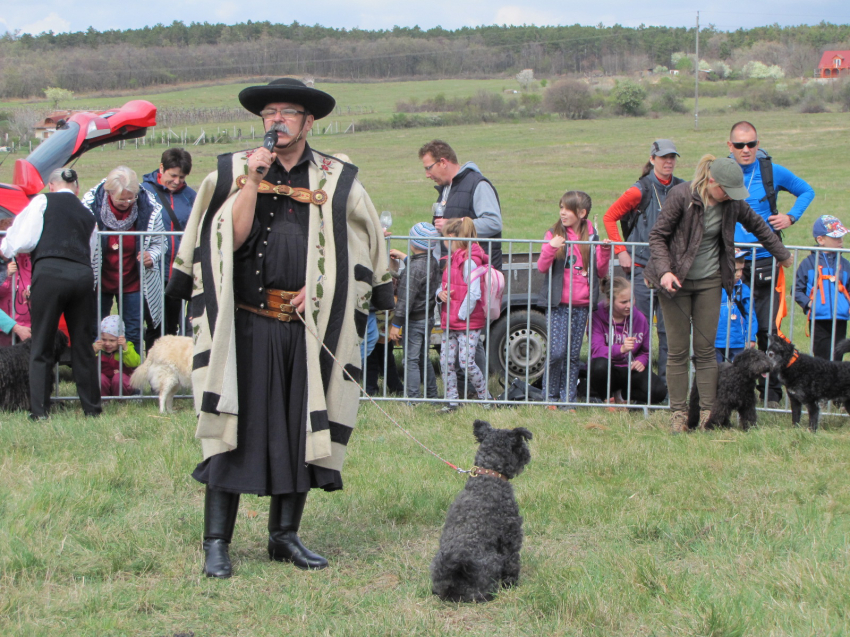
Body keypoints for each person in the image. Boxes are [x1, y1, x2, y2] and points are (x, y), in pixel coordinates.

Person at [165, 78, 393, 579]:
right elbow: (227, 237)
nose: (278, 121)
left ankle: (283, 537)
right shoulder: (232, 171)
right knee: (232, 425)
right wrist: (252, 179)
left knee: (298, 428)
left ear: (309, 122)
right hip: (243, 327)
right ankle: (216, 544)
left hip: (303, 330)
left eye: (289, 113)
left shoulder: (339, 180)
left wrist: (320, 291)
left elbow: (363, 246)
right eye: (270, 113)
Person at [643, 156, 792, 434]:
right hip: (674, 281)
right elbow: (657, 236)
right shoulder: (682, 196)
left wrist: (782, 256)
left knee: (705, 350)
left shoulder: (732, 202)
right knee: (677, 351)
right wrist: (664, 272)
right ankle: (678, 413)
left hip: (710, 280)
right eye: (726, 190)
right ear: (712, 181)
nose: (730, 197)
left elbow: (759, 226)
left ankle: (708, 413)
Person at [0, 168, 101, 419]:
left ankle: (40, 412)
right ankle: (92, 409)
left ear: (52, 186)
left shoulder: (43, 201)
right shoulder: (88, 214)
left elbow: (23, 239)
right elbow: (93, 253)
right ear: (76, 188)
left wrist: (6, 247)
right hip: (82, 275)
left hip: (49, 274)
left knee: (41, 344)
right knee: (82, 346)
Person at [728, 121, 815, 404]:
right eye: (740, 145)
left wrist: (791, 217)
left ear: (757, 143)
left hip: (766, 261)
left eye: (751, 144)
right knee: (732, 327)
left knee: (767, 329)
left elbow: (806, 191)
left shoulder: (770, 171)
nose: (746, 150)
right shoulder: (722, 172)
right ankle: (732, 388)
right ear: (729, 146)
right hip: (731, 262)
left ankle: (772, 393)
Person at [603, 139, 683, 381]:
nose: (668, 162)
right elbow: (609, 217)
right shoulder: (640, 190)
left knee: (669, 329)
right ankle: (640, 383)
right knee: (641, 328)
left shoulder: (682, 188)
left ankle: (668, 384)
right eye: (663, 158)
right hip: (642, 269)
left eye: (672, 157)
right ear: (652, 160)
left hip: (671, 271)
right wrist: (621, 251)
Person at [537, 190, 610, 408]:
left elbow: (600, 270)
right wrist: (551, 249)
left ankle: (568, 398)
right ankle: (549, 396)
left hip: (582, 306)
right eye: (561, 208)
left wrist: (604, 252)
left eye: (567, 209)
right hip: (558, 304)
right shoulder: (553, 234)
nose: (562, 213)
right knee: (556, 352)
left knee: (571, 356)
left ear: (582, 213)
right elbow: (542, 267)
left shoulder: (592, 236)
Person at [82, 166, 165, 355]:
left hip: (132, 282)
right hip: (98, 282)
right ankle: (98, 378)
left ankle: (130, 380)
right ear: (109, 192)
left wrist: (151, 256)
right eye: (121, 198)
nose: (127, 202)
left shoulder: (150, 207)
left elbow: (161, 243)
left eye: (131, 198)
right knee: (96, 332)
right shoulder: (89, 207)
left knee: (133, 332)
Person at [140, 148, 197, 347]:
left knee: (174, 327)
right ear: (161, 167)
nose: (177, 181)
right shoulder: (143, 192)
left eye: (182, 177)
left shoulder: (192, 197)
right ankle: (151, 372)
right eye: (173, 175)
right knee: (154, 325)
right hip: (152, 272)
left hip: (179, 273)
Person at [419, 139, 503, 271]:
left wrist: (453, 226)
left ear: (443, 162)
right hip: (455, 274)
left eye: (429, 168)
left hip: (478, 275)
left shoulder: (478, 184)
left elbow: (493, 223)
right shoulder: (446, 189)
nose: (427, 175)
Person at [437, 217, 493, 412]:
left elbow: (474, 292)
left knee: (466, 362)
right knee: (446, 362)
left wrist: (461, 315)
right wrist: (440, 294)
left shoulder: (470, 261)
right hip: (450, 321)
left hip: (467, 322)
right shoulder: (451, 260)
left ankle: (485, 396)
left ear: (451, 237)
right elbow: (443, 285)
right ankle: (452, 400)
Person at [589, 276, 667, 406]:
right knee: (599, 366)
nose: (629, 305)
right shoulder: (597, 316)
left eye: (632, 300)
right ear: (610, 300)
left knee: (659, 391)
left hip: (630, 369)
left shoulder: (639, 318)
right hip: (608, 369)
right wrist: (620, 349)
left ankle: (621, 395)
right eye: (623, 302)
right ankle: (606, 398)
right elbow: (596, 350)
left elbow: (646, 351)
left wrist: (641, 361)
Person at [388, 222, 441, 401]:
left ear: (412, 243)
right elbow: (419, 266)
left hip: (414, 320)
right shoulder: (431, 262)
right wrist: (404, 257)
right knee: (423, 358)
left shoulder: (413, 270)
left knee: (410, 360)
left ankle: (412, 398)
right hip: (427, 318)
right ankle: (432, 394)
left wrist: (396, 324)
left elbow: (404, 301)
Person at [794, 215, 850, 361]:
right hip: (819, 318)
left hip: (840, 319)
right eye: (835, 237)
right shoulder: (808, 263)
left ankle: (836, 384)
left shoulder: (845, 264)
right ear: (820, 240)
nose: (840, 241)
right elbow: (797, 290)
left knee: (837, 357)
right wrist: (809, 304)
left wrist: (847, 305)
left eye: (841, 237)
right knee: (821, 359)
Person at [716, 250, 758, 362]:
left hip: (737, 341)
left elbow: (750, 315)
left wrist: (751, 337)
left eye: (741, 269)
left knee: (735, 372)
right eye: (735, 270)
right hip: (715, 340)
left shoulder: (744, 290)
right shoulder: (713, 289)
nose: (739, 274)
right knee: (714, 372)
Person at [94, 315, 140, 396]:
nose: (107, 344)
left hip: (122, 382)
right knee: (99, 378)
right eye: (104, 339)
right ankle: (103, 400)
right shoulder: (98, 347)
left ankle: (121, 400)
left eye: (112, 340)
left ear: (120, 339)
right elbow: (86, 362)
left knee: (118, 378)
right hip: (104, 382)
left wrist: (125, 348)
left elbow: (135, 363)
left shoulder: (126, 347)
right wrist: (93, 351)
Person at [0, 251, 32, 347]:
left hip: (28, 326)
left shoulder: (30, 262)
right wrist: (6, 275)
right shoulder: (4, 264)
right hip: (6, 329)